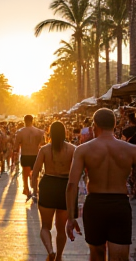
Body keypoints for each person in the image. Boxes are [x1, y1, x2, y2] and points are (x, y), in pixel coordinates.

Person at [66, 108, 136, 261]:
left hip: (95, 206)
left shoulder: (83, 150)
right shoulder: (132, 150)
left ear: (94, 126)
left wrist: (71, 218)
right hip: (119, 205)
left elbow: (72, 184)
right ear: (115, 125)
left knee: (97, 255)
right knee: (120, 258)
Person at [32, 121, 78, 261]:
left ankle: (50, 251)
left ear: (50, 133)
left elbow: (35, 172)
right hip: (65, 187)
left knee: (45, 226)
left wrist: (34, 191)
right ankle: (58, 256)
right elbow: (78, 172)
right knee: (61, 228)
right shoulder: (72, 149)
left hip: (48, 185)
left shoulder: (45, 149)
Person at [14, 114, 45, 201]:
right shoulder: (39, 132)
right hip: (36, 155)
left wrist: (15, 155)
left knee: (25, 174)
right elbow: (43, 144)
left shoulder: (20, 132)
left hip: (25, 154)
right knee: (35, 174)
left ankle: (26, 189)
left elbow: (16, 146)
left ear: (24, 121)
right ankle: (35, 190)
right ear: (32, 121)